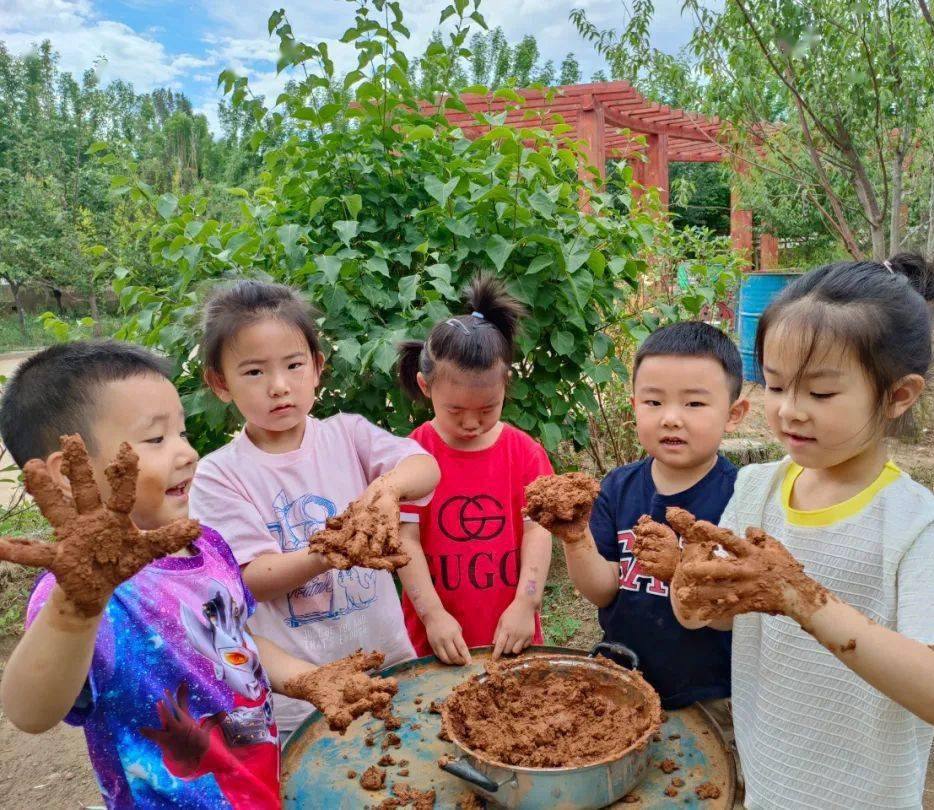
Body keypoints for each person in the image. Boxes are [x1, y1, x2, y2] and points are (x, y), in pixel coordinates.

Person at [670, 255, 934, 807]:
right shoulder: (756, 489)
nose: (790, 411)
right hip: (770, 771)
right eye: (775, 385)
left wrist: (801, 598)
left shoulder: (921, 530)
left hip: (862, 791)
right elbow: (716, 618)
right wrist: (691, 587)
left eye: (820, 394)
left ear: (898, 395)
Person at [0, 341, 329, 808]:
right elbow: (29, 712)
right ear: (72, 473)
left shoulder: (205, 545)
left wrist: (310, 679)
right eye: (156, 440)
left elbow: (236, 640)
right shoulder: (86, 594)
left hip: (256, 787)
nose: (188, 453)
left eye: (181, 432)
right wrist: (74, 613)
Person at [189, 281, 440, 735]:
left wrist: (387, 487)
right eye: (254, 372)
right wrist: (332, 550)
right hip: (303, 699)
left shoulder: (348, 435)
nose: (279, 386)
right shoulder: (219, 475)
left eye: (293, 364)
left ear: (317, 367)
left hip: (389, 665)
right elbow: (253, 579)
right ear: (220, 383)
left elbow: (425, 468)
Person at [546, 322, 747, 711]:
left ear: (733, 413)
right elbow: (604, 589)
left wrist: (680, 571)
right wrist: (576, 539)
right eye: (654, 402)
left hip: (707, 694)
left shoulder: (741, 497)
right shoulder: (618, 487)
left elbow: (733, 614)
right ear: (635, 406)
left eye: (694, 403)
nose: (671, 418)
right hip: (623, 680)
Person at [395, 276, 553, 664]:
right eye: (455, 410)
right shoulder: (413, 455)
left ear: (505, 387)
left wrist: (526, 605)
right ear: (425, 386)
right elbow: (405, 540)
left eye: (487, 409)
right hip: (436, 638)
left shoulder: (525, 453)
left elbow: (538, 531)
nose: (471, 424)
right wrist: (432, 616)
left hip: (511, 635)